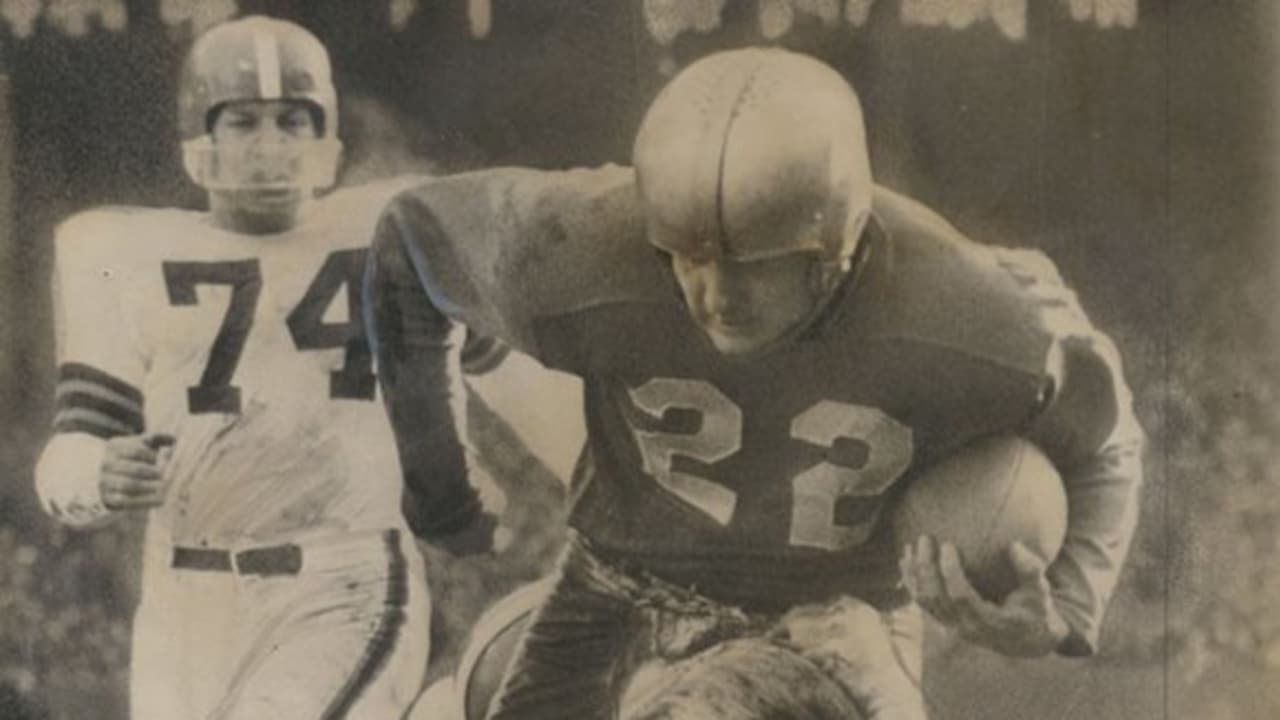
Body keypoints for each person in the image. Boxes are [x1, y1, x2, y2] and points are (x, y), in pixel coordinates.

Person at [365, 48, 1144, 719]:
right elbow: (410, 241)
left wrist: (1067, 603)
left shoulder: (969, 316)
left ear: (835, 245)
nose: (716, 295)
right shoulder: (580, 250)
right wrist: (440, 488)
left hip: (827, 618)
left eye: (754, 267)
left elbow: (1103, 441)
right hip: (611, 585)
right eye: (688, 258)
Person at [33, 16, 464, 719]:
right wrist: (97, 471)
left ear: (328, 140)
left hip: (341, 582)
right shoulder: (121, 253)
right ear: (197, 144)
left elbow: (512, 368)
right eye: (243, 122)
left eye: (293, 121)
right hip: (183, 608)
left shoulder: (393, 234)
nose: (271, 148)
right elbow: (69, 450)